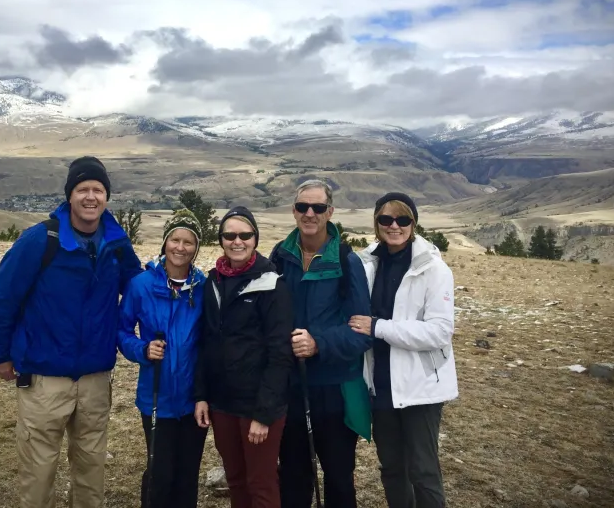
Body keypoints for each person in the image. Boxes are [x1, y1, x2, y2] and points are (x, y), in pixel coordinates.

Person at [0, 156, 142, 508]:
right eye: (82, 189)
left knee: (91, 471)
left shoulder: (117, 244)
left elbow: (138, 290)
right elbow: (1, 297)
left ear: (106, 197)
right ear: (69, 195)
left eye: (98, 190)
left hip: (95, 378)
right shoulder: (39, 241)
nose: (90, 197)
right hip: (43, 378)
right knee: (38, 475)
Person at [349, 192, 458, 508]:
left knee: (423, 470)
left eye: (402, 219)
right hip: (380, 382)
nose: (393, 225)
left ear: (414, 223)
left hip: (420, 387)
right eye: (385, 219)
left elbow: (439, 332)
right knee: (392, 467)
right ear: (376, 223)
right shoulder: (365, 263)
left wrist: (377, 326)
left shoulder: (434, 269)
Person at [273, 180, 372, 508]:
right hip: (291, 387)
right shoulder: (280, 256)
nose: (310, 213)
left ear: (330, 212)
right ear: (294, 211)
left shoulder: (347, 261)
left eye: (318, 207)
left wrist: (319, 343)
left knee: (339, 479)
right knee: (292, 476)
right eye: (303, 207)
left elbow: (361, 331)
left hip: (334, 389)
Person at [194, 206, 293, 508]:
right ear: (221, 240)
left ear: (255, 239)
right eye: (229, 235)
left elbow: (280, 353)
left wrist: (263, 415)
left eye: (245, 235)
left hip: (257, 405)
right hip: (223, 403)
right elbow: (206, 343)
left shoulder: (272, 284)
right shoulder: (212, 282)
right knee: (236, 479)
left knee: (260, 483)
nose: (237, 241)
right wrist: (201, 395)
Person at [117, 209, 208, 508]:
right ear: (165, 242)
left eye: (188, 241)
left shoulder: (204, 287)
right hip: (156, 396)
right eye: (175, 239)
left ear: (197, 247)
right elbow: (121, 330)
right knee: (160, 471)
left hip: (195, 398)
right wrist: (143, 350)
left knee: (187, 473)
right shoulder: (141, 285)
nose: (180, 247)